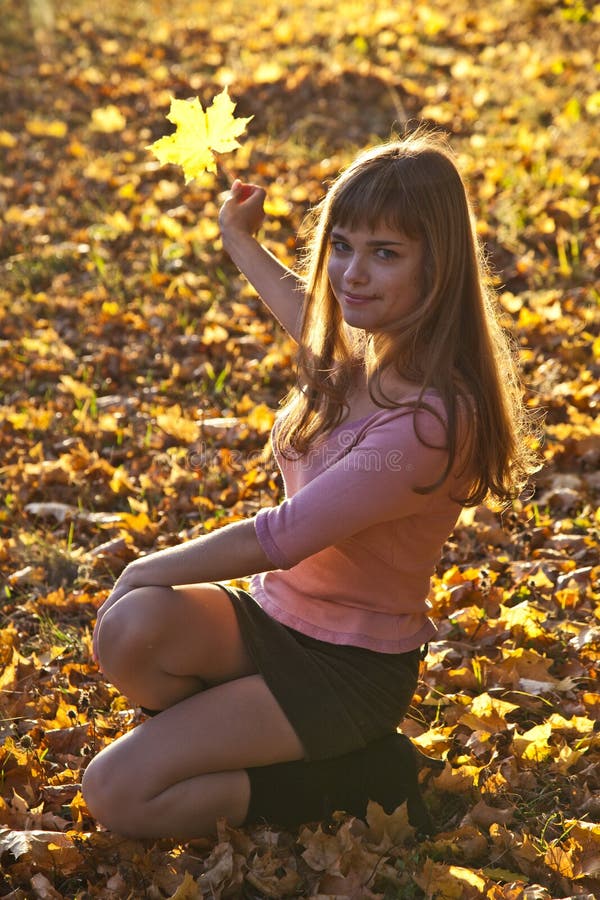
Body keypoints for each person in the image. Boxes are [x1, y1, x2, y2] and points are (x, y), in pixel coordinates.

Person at [81, 130, 537, 840]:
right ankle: (238, 727)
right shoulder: (368, 361)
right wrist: (239, 238)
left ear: (438, 267)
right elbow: (304, 311)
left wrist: (146, 563)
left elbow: (282, 536)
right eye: (344, 245)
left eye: (385, 253)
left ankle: (354, 777)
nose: (351, 272)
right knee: (130, 628)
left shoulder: (429, 424)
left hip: (346, 671)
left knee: (116, 794)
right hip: (276, 621)